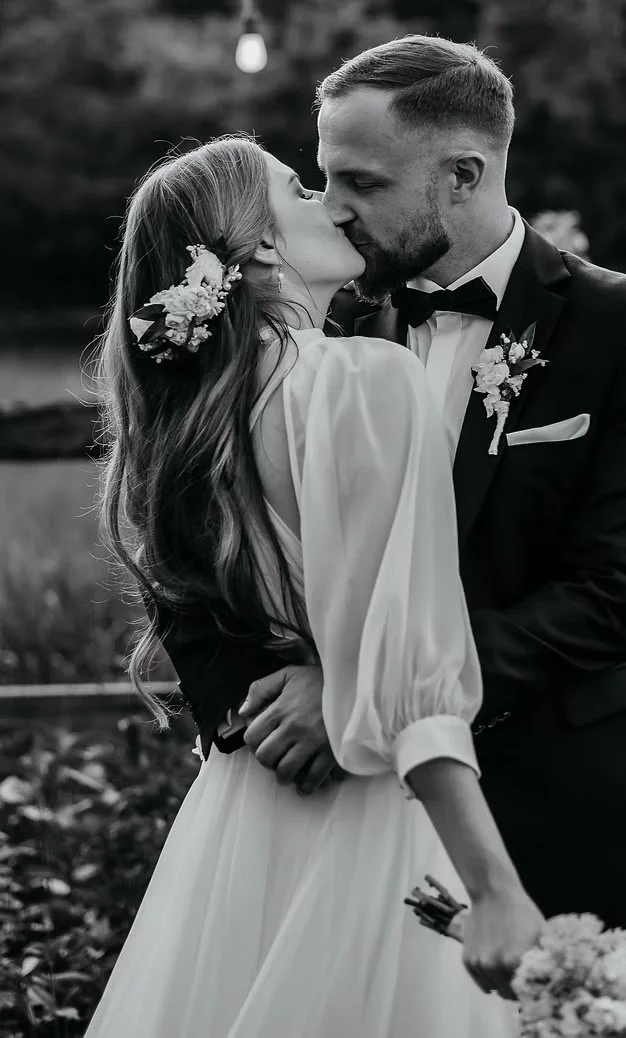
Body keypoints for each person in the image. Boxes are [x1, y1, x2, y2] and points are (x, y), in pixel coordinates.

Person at [85, 135, 540, 1037]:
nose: (330, 205)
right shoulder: (365, 379)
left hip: (243, 823)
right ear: (258, 245)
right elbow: (405, 665)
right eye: (300, 190)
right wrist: (492, 887)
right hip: (369, 808)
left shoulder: (193, 424)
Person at [173, 34, 626, 930]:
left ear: (463, 175)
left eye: (363, 183)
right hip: (317, 825)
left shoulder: (613, 327)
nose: (335, 210)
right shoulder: (311, 313)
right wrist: (250, 707)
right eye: (323, 179)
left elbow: (612, 589)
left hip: (552, 809)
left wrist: (361, 697)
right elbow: (186, 522)